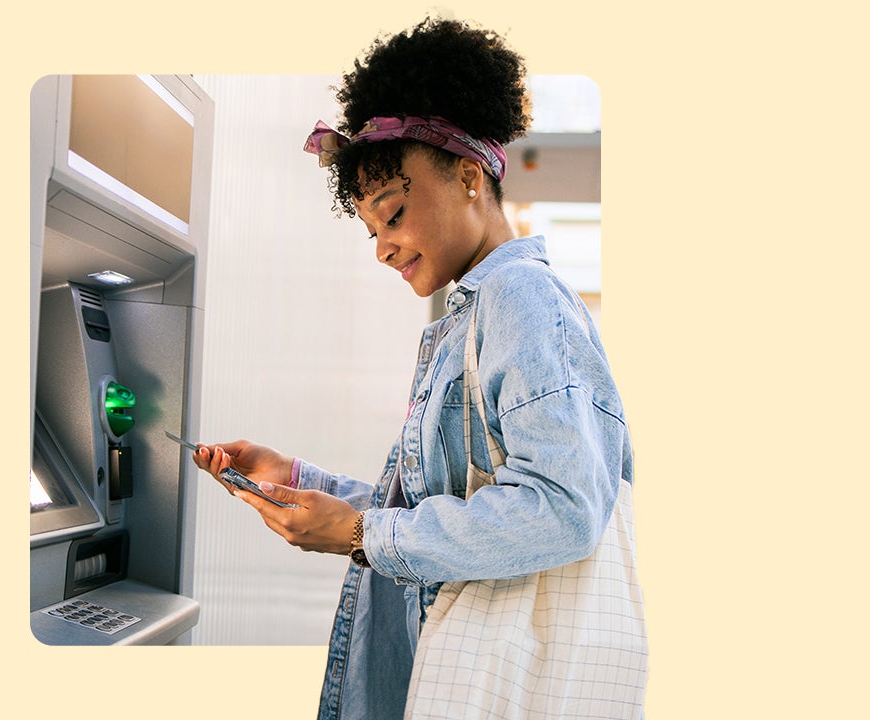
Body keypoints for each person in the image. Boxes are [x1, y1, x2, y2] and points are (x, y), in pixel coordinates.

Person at [192, 17, 642, 720]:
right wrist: (301, 482)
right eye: (372, 230)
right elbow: (450, 512)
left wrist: (359, 533)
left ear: (468, 176)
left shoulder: (519, 298)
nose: (382, 249)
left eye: (394, 214)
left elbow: (562, 508)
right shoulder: (469, 317)